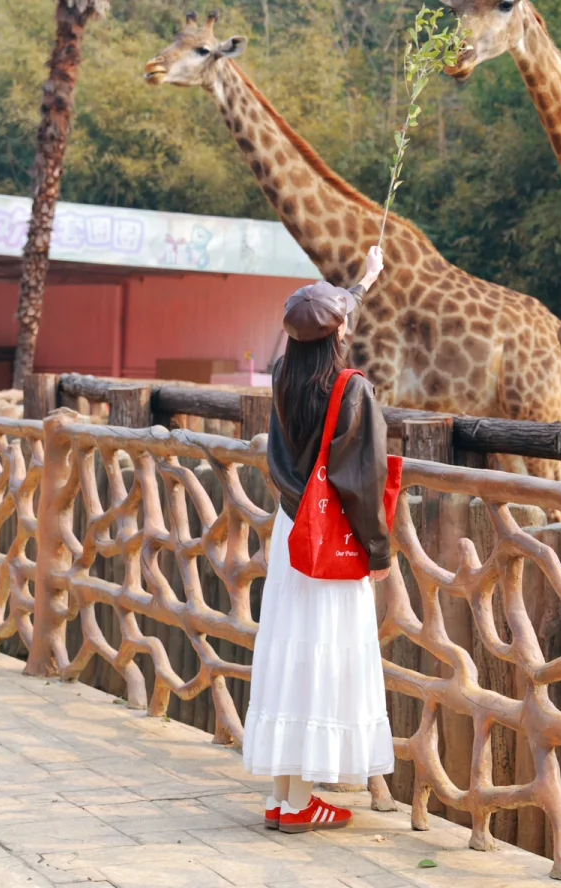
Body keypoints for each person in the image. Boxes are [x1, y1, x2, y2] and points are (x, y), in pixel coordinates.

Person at [243, 244, 394, 833]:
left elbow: (332, 314)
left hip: (290, 530)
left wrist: (365, 280)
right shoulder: (352, 390)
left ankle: (286, 798)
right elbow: (362, 482)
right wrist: (378, 553)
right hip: (329, 539)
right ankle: (303, 802)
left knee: (289, 653)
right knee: (320, 657)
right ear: (337, 337)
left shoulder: (282, 374)